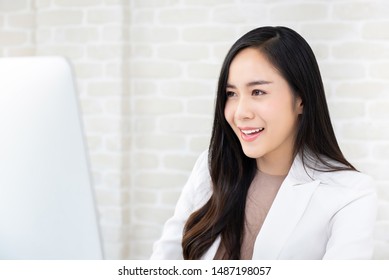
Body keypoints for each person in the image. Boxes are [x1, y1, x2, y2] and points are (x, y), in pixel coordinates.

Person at [150, 26, 377, 260]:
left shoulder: (351, 193)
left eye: (257, 92)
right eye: (231, 94)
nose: (240, 113)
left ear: (301, 99)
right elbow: (164, 261)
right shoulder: (210, 166)